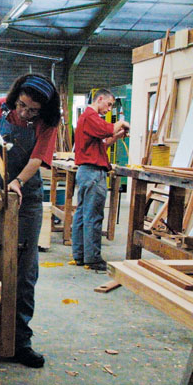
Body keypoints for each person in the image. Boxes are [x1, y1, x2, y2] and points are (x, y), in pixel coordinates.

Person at [0, 74, 59, 369]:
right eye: (22, 106)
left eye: (32, 110)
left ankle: (20, 339)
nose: (24, 113)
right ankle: (0, 331)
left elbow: (37, 160)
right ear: (15, 98)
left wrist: (18, 182)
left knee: (24, 270)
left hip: (26, 198)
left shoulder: (48, 123)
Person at [71, 89, 129, 272]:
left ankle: (80, 254)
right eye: (109, 104)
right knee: (93, 216)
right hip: (93, 173)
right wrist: (121, 123)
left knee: (82, 214)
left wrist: (117, 137)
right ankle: (93, 258)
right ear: (100, 99)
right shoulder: (91, 116)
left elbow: (102, 143)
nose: (109, 109)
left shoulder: (87, 118)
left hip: (87, 172)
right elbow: (109, 128)